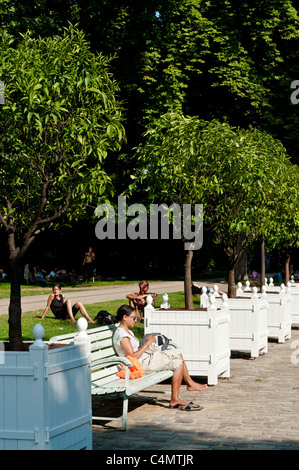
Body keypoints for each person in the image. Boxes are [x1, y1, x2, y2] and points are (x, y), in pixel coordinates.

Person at [113, 304, 207, 411]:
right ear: (125, 317)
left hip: (144, 360)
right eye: (134, 318)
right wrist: (147, 344)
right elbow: (132, 356)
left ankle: (175, 399)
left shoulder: (127, 331)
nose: (135, 320)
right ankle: (189, 384)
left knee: (178, 363)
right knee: (177, 353)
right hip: (140, 365)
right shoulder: (122, 335)